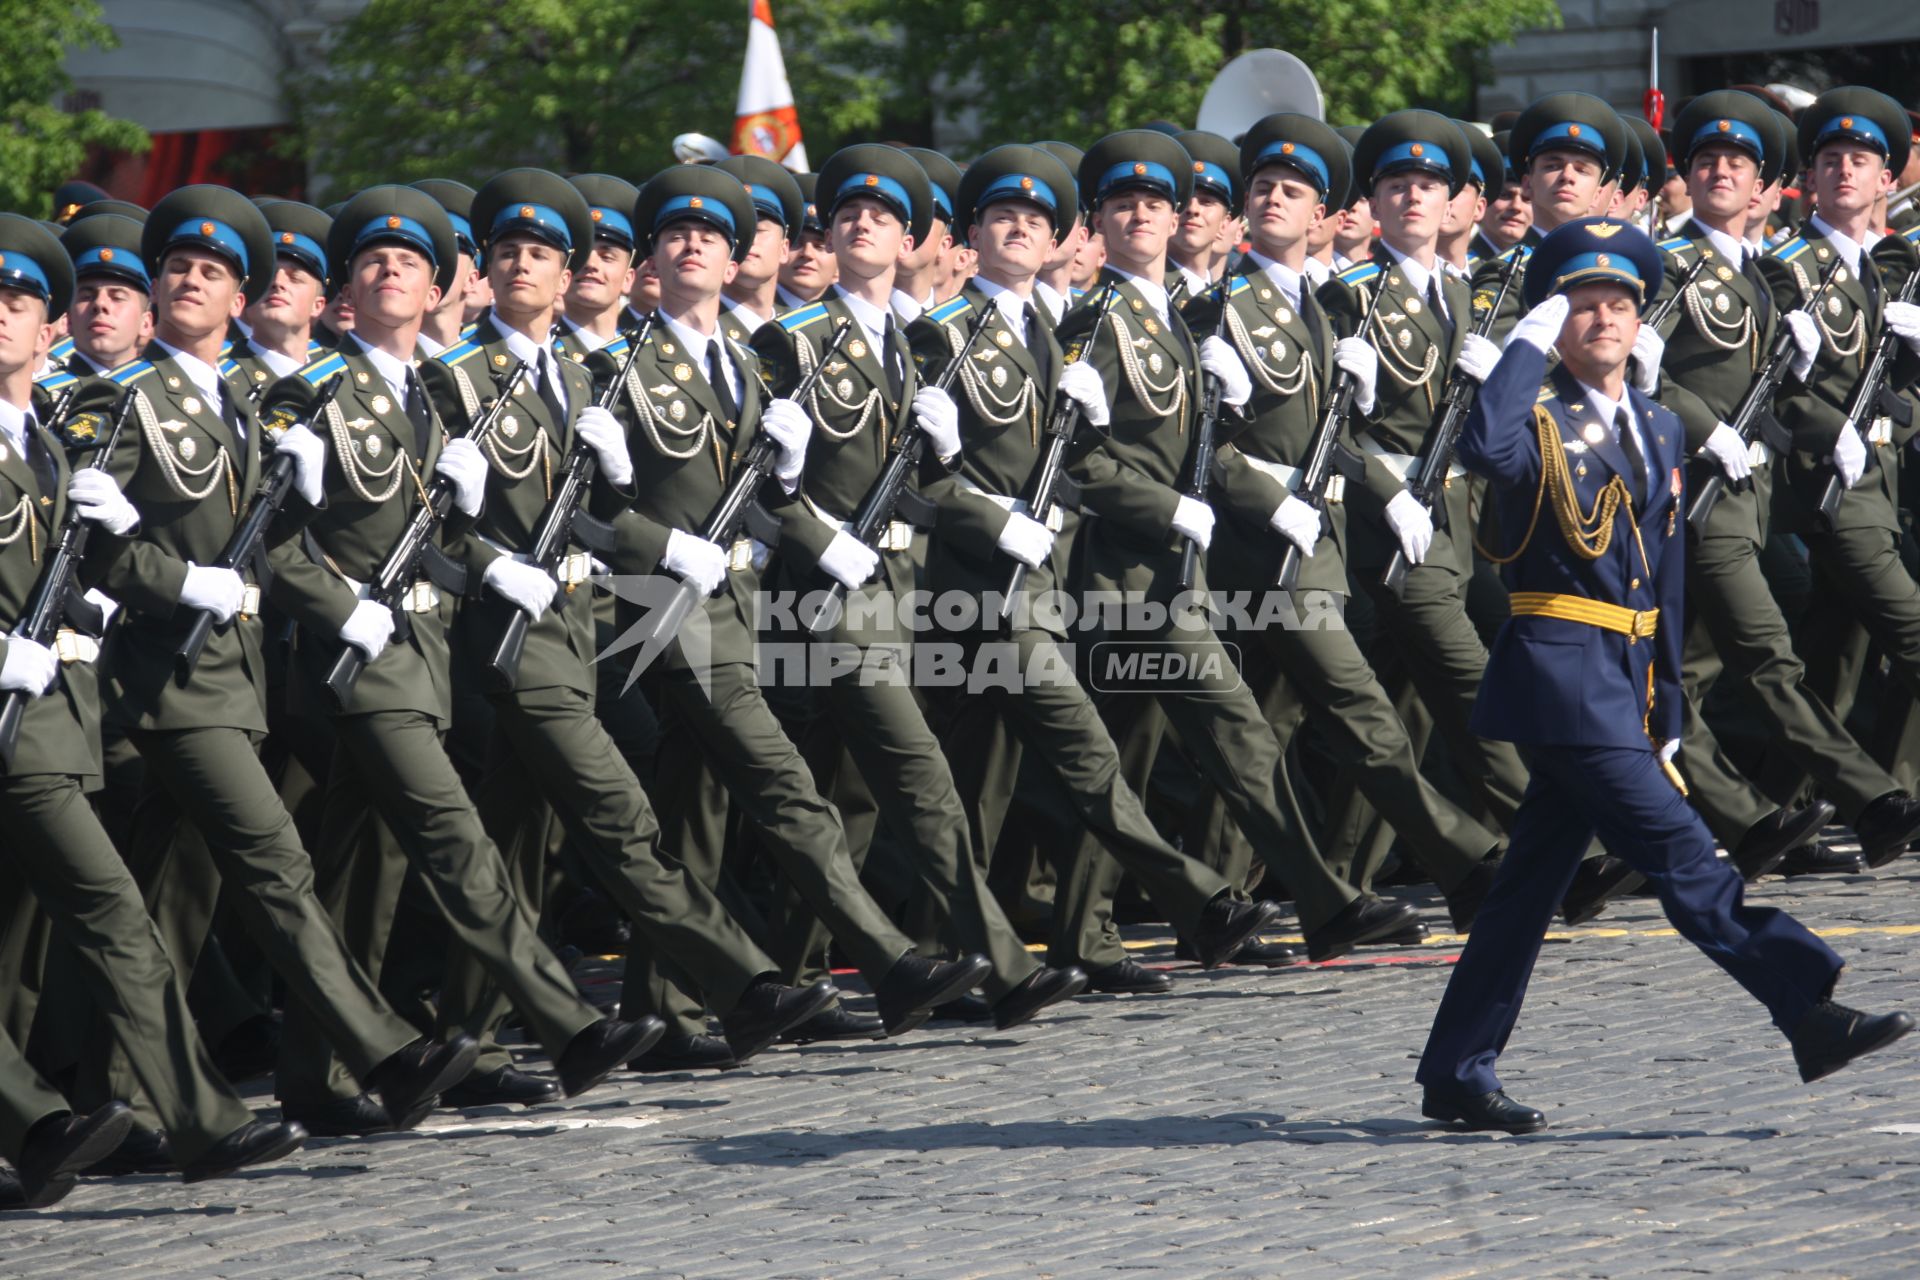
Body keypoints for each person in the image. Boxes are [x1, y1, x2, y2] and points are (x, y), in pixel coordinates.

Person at [1417, 216, 1911, 1133]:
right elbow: (1482, 451)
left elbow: (1665, 573)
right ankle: (1805, 1006)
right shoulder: (1532, 416)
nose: (1601, 319)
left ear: (1643, 319)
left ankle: (1456, 1070)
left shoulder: (1652, 421)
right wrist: (1523, 343)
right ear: (1553, 325)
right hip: (1560, 679)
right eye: (1579, 305)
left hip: (1624, 679)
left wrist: (1669, 699)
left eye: (1617, 304)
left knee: (1525, 895)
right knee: (1686, 855)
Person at [416, 168, 853, 1068]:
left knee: (513, 839)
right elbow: (427, 527)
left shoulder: (581, 377)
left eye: (541, 253)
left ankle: (467, 1038)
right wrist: (496, 553)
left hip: (579, 627)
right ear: (479, 271)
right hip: (511, 635)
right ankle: (747, 982)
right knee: (622, 822)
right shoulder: (454, 380)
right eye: (506, 252)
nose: (523, 266)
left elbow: (597, 506)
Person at [259, 184, 661, 1132]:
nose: (388, 271)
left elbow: (444, 536)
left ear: (439, 285)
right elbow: (270, 546)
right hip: (350, 667)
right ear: (343, 295)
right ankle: (565, 1024)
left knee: (367, 874)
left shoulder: (435, 401)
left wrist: (484, 534)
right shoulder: (305, 392)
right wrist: (336, 605)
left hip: (425, 660)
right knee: (456, 840)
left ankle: (318, 1074)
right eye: (368, 263)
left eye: (406, 263)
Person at [0, 213, 303, 1193]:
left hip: (48, 727)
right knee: (111, 908)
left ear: (49, 333)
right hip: (23, 725)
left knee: (28, 933)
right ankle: (192, 1119)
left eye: (18, 304)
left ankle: (48, 1120)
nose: (0, 318)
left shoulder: (45, 445)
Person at [1650, 89, 1916, 879]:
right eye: (1705, 161)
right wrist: (1709, 428)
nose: (1720, 172)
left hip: (1759, 494)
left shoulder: (1759, 279)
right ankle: (1875, 800)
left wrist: (1825, 413)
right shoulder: (1673, 264)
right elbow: (1639, 369)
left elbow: (1788, 389)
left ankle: (1749, 822)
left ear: (1765, 187)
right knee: (1771, 659)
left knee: (1687, 675)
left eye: (1737, 164)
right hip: (1699, 490)